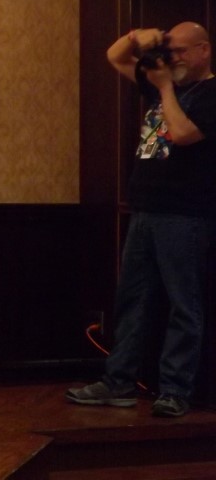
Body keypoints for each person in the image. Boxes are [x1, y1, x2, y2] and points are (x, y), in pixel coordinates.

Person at [67, 22, 216, 418]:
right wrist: (140, 38)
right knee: (132, 300)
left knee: (183, 304)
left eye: (181, 50)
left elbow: (182, 134)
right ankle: (118, 381)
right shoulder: (164, 83)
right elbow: (114, 56)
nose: (172, 57)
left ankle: (175, 390)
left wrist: (165, 88)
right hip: (145, 210)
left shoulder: (208, 94)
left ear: (204, 50)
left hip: (185, 215)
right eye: (169, 49)